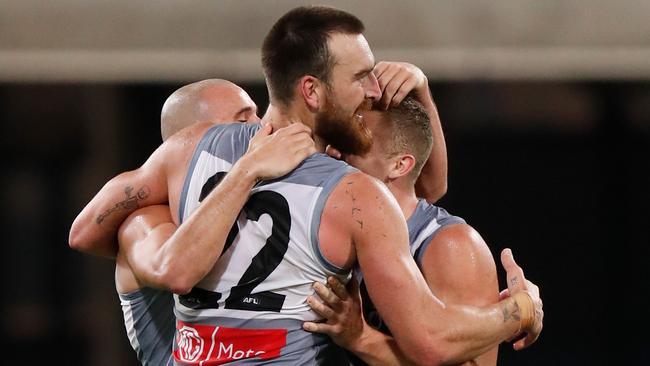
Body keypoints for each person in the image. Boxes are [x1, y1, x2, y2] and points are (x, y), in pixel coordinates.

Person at [69, 5, 543, 365]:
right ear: (312, 91)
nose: (374, 89)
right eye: (361, 77)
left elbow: (87, 230)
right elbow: (431, 340)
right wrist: (520, 310)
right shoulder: (357, 196)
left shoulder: (190, 146)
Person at [304, 95, 519, 365]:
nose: (332, 153)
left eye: (350, 145)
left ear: (399, 165)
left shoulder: (451, 245)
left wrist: (363, 340)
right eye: (334, 144)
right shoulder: (332, 225)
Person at [115, 79, 300, 365]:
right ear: (196, 142)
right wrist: (248, 168)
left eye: (256, 114)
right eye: (242, 120)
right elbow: (175, 271)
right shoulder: (146, 221)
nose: (260, 126)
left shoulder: (251, 206)